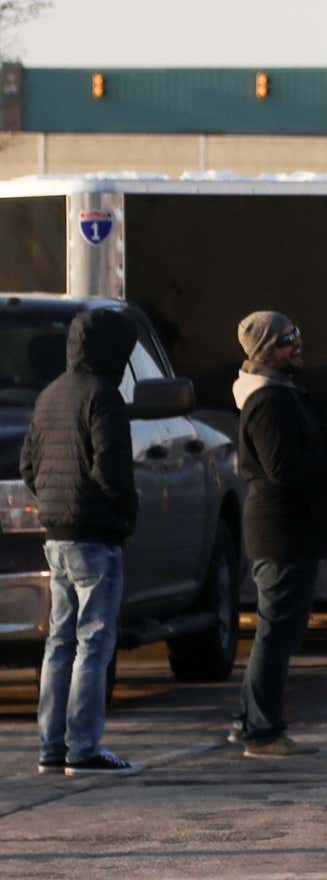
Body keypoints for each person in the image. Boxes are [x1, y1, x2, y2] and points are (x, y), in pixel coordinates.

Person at [231, 311, 327, 757]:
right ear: (266, 350)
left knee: (280, 630)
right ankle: (261, 732)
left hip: (291, 528)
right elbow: (284, 469)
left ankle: (251, 720)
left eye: (298, 334)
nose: (297, 344)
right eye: (288, 339)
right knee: (276, 631)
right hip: (281, 529)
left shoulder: (281, 393)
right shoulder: (269, 400)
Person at [22, 308, 143, 777]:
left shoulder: (50, 394)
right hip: (96, 537)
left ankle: (51, 747)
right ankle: (84, 748)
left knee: (59, 642)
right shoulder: (104, 397)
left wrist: (54, 503)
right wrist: (125, 514)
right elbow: (112, 471)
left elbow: (29, 467)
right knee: (94, 643)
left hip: (56, 536)